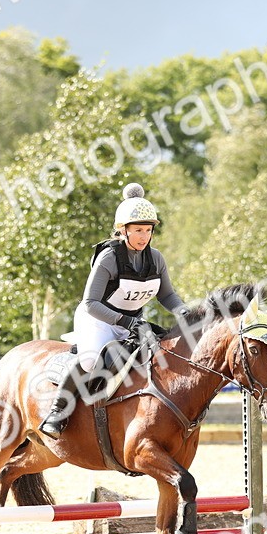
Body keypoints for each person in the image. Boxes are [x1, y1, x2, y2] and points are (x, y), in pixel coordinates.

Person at [39, 183, 192, 439]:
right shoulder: (109, 257)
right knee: (91, 362)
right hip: (97, 320)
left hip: (132, 322)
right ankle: (57, 411)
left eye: (148, 230)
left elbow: (166, 295)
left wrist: (184, 311)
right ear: (123, 230)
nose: (144, 236)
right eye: (138, 230)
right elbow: (90, 303)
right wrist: (127, 322)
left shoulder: (156, 259)